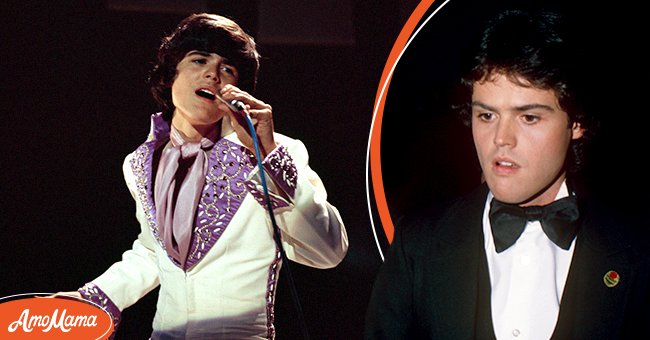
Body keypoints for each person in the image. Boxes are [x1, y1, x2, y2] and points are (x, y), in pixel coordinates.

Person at [54, 13, 348, 339]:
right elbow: (153, 252)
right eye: (199, 60)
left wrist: (267, 156)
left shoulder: (276, 152)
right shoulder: (141, 162)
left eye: (227, 68)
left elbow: (329, 250)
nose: (212, 73)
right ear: (170, 76)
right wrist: (94, 298)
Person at [365, 9, 650, 339]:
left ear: (577, 123)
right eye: (486, 115)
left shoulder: (635, 252)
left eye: (528, 118)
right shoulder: (418, 246)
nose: (501, 139)